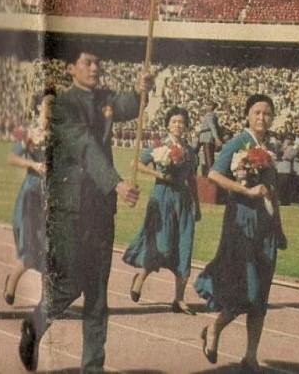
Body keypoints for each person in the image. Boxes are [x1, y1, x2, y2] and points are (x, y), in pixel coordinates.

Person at [18, 45, 147, 373]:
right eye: (87, 62)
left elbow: (126, 105)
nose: (94, 68)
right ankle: (35, 323)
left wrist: (138, 91)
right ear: (70, 68)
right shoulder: (62, 105)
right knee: (68, 284)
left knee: (97, 294)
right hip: (70, 211)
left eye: (98, 63)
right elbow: (85, 146)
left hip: (100, 210)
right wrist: (116, 183)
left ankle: (93, 367)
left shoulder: (104, 98)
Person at [195, 94, 287, 372]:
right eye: (257, 112)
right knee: (246, 288)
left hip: (266, 226)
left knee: (261, 294)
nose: (262, 118)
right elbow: (214, 174)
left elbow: (272, 192)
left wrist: (280, 227)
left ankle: (250, 356)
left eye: (267, 113)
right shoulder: (238, 142)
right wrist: (246, 190)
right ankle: (214, 328)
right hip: (241, 222)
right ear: (247, 115)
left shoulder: (270, 148)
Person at [123, 105, 201, 314]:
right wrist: (158, 174)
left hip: (183, 201)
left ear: (186, 126)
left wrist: (197, 205)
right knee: (162, 246)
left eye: (182, 122)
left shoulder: (190, 151)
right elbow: (136, 163)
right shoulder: (159, 146)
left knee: (184, 248)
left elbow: (192, 179)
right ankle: (140, 277)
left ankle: (179, 299)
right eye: (174, 121)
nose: (178, 125)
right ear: (168, 125)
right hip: (162, 198)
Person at [3, 89, 53, 306]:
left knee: (50, 247)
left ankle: (45, 299)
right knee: (30, 246)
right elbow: (12, 157)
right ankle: (12, 281)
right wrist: (33, 164)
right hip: (32, 193)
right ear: (40, 107)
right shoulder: (30, 133)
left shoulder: (60, 134)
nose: (53, 109)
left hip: (51, 195)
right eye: (49, 104)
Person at [193, 102, 222, 176]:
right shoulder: (212, 115)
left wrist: (217, 138)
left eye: (208, 105)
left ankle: (210, 175)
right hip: (207, 137)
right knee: (209, 158)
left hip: (207, 137)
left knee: (208, 159)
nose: (206, 106)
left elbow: (212, 127)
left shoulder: (209, 115)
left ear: (211, 107)